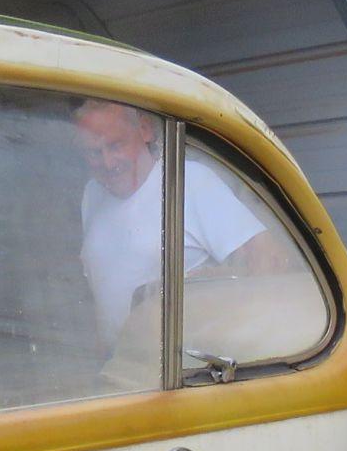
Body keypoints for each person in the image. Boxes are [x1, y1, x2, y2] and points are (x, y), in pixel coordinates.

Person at [72, 98, 291, 354]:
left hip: (178, 373)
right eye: (95, 153)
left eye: (116, 145)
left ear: (145, 130)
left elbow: (271, 260)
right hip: (119, 370)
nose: (108, 162)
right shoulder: (93, 194)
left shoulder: (188, 181)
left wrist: (238, 342)